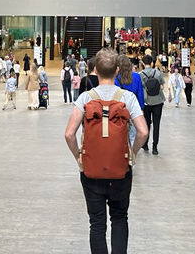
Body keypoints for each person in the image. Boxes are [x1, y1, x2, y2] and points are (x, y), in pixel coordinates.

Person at [64, 49, 149, 254]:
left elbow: (69, 134)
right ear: (117, 70)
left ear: (95, 71)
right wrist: (133, 153)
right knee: (120, 218)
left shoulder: (85, 98)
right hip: (120, 169)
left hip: (91, 170)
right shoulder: (127, 98)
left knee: (97, 223)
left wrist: (78, 156)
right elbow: (143, 131)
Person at [139, 54, 165, 155]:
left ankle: (145, 144)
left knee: (146, 124)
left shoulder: (140, 75)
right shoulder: (157, 73)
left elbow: (140, 89)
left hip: (146, 102)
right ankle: (155, 147)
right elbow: (162, 87)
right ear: (152, 63)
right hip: (158, 101)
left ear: (143, 63)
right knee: (156, 124)